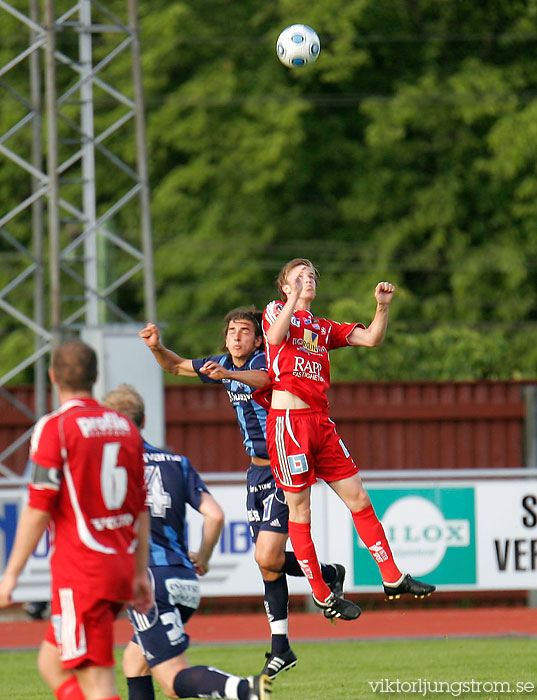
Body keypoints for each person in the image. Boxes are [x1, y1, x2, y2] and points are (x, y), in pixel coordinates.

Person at [139, 309, 346, 679]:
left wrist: (229, 374)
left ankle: (324, 577)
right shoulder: (221, 364)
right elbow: (175, 367)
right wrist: (158, 348)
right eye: (232, 331)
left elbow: (264, 378)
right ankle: (282, 645)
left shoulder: (266, 361)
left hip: (285, 463)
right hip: (255, 473)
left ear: (257, 339)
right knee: (267, 563)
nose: (236, 337)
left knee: (266, 554)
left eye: (245, 331)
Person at [261, 258, 436, 619]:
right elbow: (275, 338)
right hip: (289, 424)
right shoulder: (277, 310)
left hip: (320, 422)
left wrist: (381, 307)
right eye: (299, 276)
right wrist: (292, 300)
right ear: (285, 286)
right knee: (301, 509)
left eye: (311, 276)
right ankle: (323, 595)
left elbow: (371, 338)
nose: (308, 280)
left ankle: (391, 577)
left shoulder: (321, 328)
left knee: (359, 497)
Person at [0, 339, 152, 700]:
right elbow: (140, 509)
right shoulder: (124, 427)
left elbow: (39, 509)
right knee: (50, 663)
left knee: (98, 684)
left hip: (83, 571)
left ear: (52, 376)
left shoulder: (56, 428)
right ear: (96, 377)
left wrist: (11, 575)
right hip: (117, 563)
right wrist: (137, 572)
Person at [101, 383, 271, 700]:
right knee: (134, 662)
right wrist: (203, 558)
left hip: (149, 582)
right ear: (144, 420)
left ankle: (244, 688)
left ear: (109, 423)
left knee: (172, 678)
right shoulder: (176, 462)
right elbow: (215, 515)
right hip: (184, 579)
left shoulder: (111, 469)